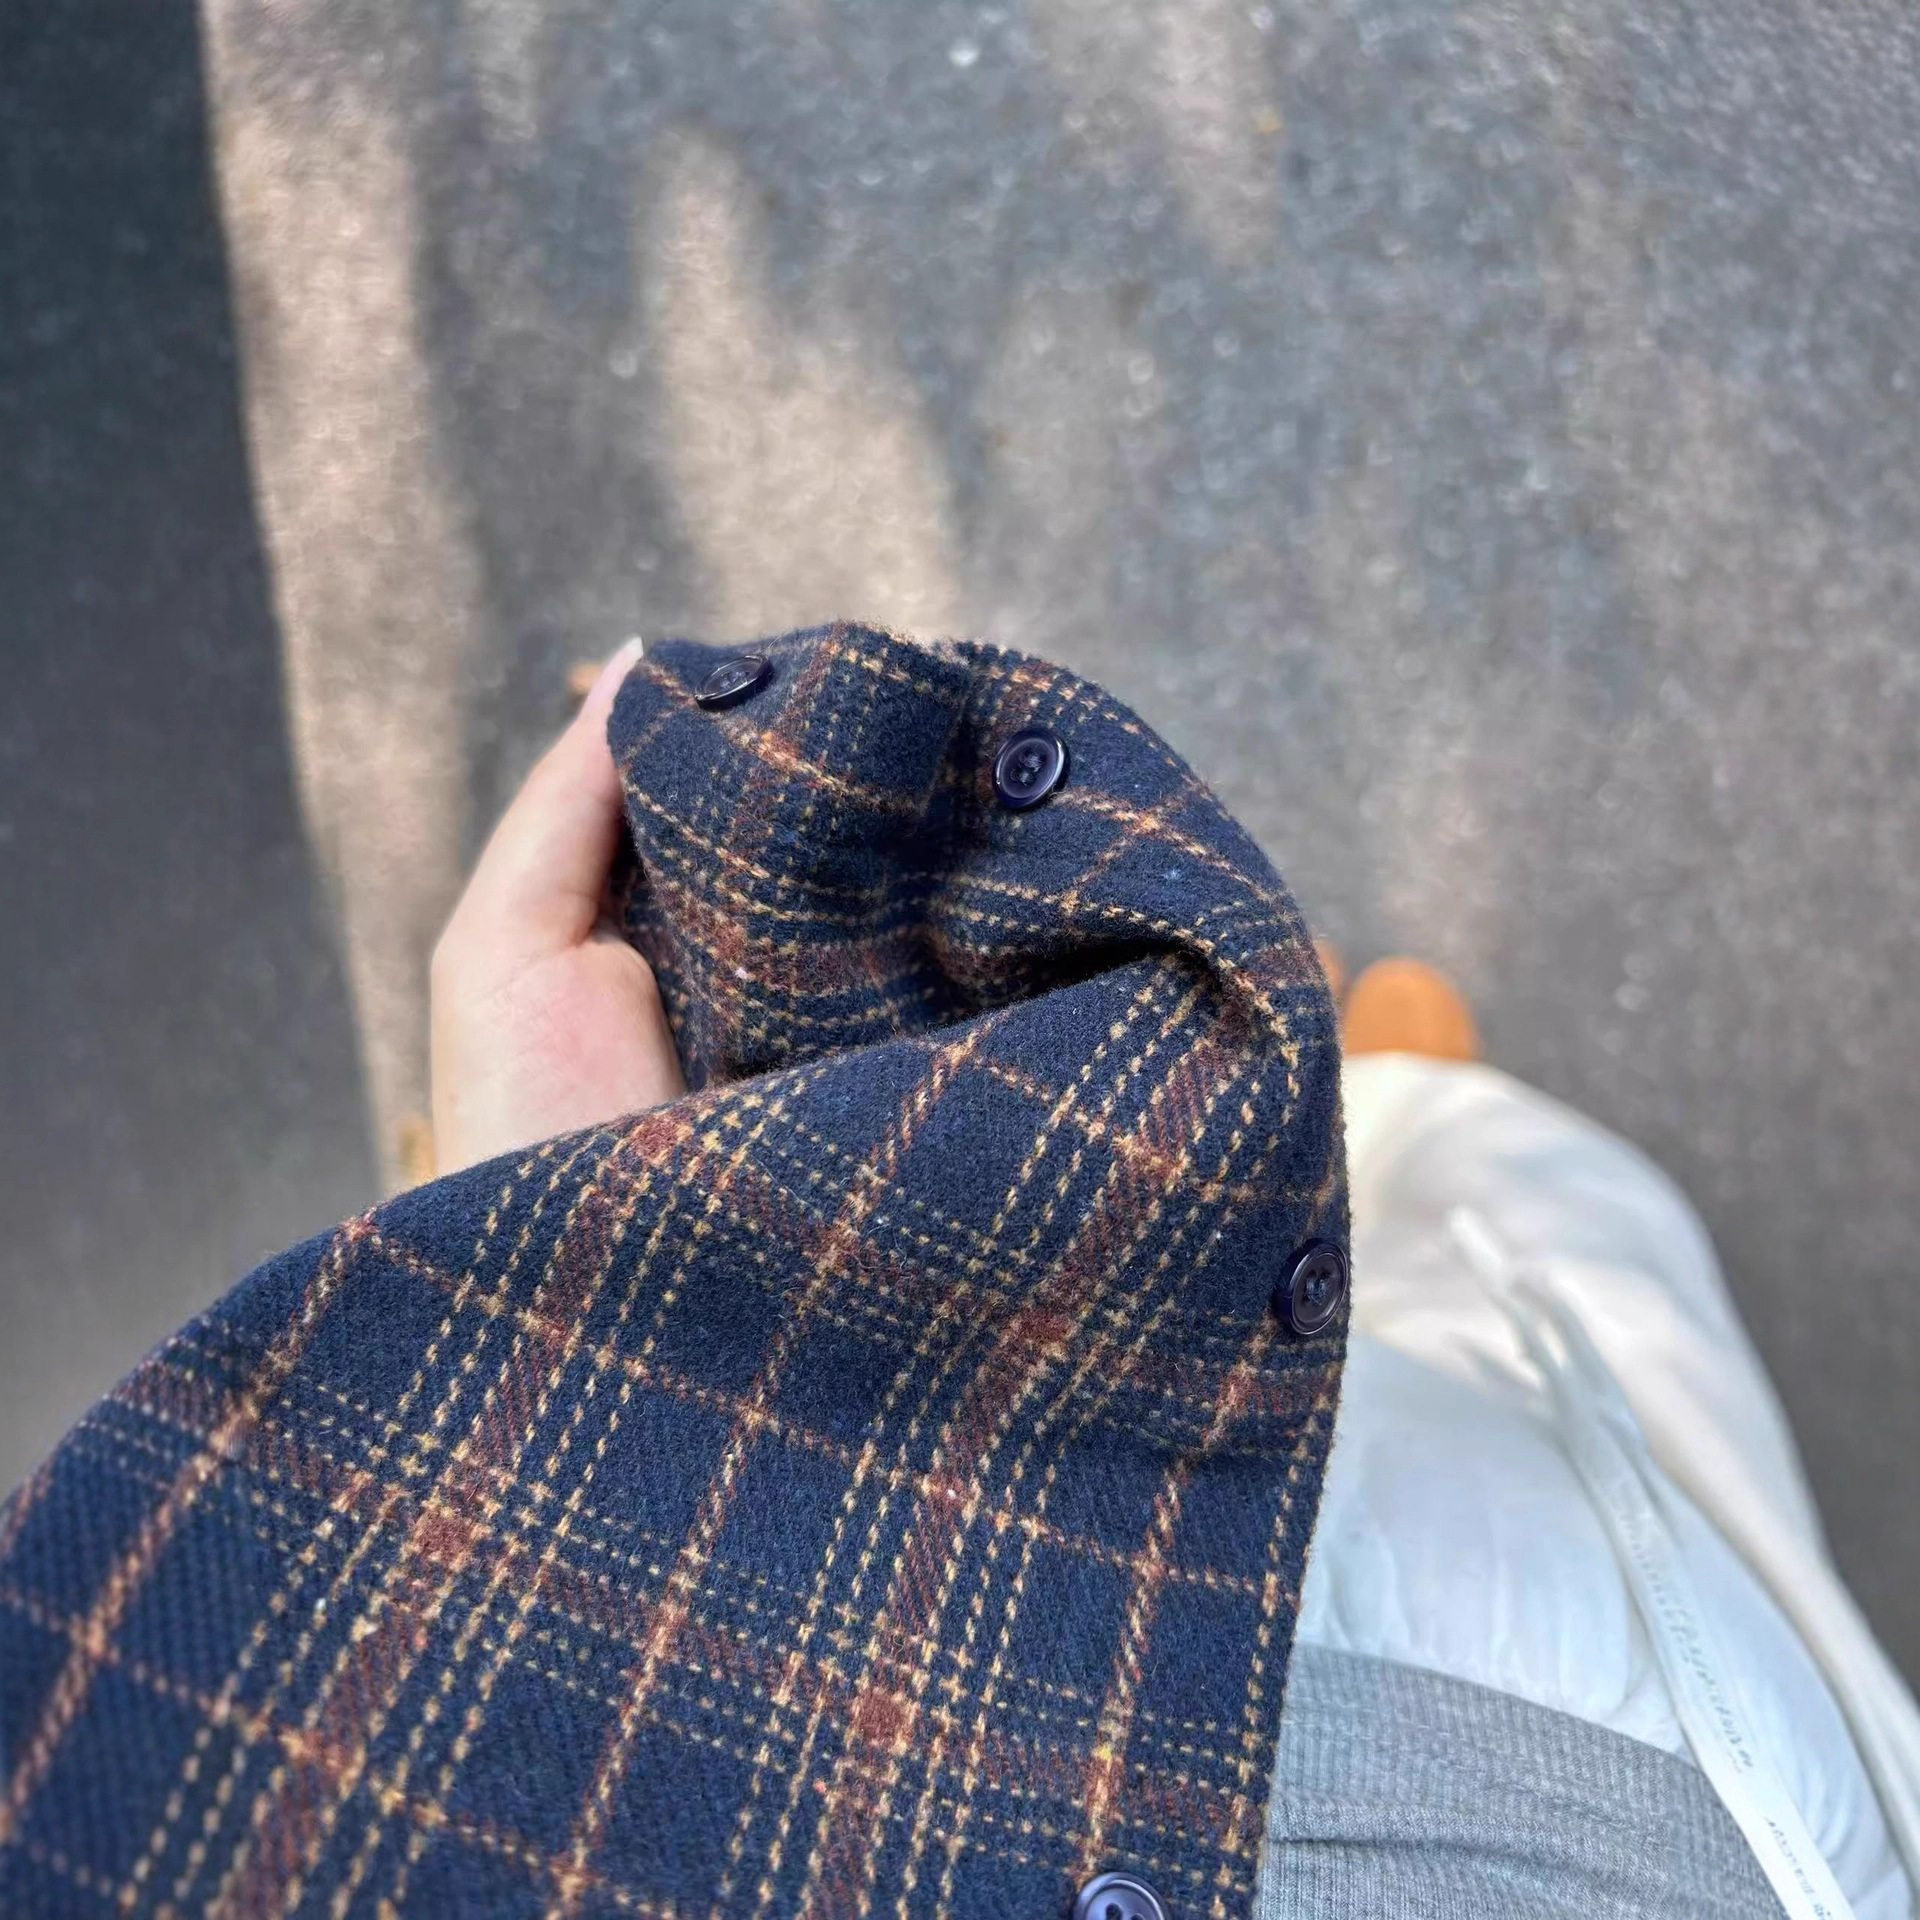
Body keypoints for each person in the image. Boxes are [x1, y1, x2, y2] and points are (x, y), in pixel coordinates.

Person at [4, 624, 1918, 1919]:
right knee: (1576, 1365)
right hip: (1446, 1814)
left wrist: (581, 1300)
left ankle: (1383, 1141)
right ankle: (1429, 1126)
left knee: (1447, 1394)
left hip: (835, 1713)